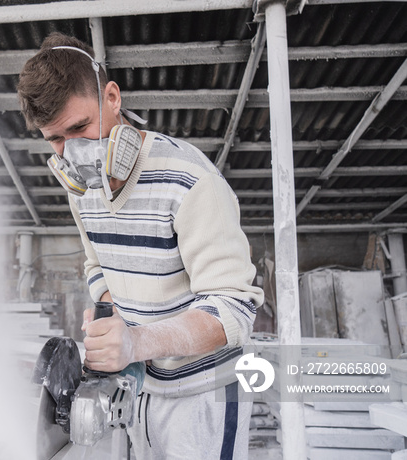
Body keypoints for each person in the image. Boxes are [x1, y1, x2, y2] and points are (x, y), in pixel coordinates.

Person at [17, 32, 264, 460]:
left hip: (202, 394)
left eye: (79, 128)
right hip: (142, 389)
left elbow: (236, 309)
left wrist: (137, 342)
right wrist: (112, 312)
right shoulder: (82, 191)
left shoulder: (190, 180)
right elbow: (96, 265)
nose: (72, 153)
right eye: (55, 139)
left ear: (112, 96)